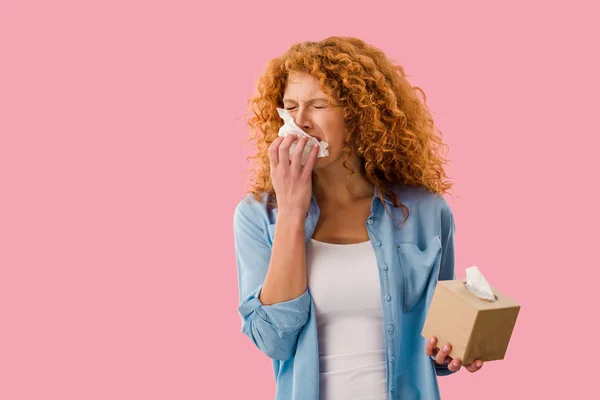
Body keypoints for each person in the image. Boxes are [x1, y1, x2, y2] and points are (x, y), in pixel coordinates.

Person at [233, 36, 484, 400]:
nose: (301, 121)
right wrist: (291, 210)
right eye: (290, 107)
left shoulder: (427, 212)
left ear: (359, 114)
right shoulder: (259, 216)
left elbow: (436, 342)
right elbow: (274, 340)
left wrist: (457, 347)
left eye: (318, 105)